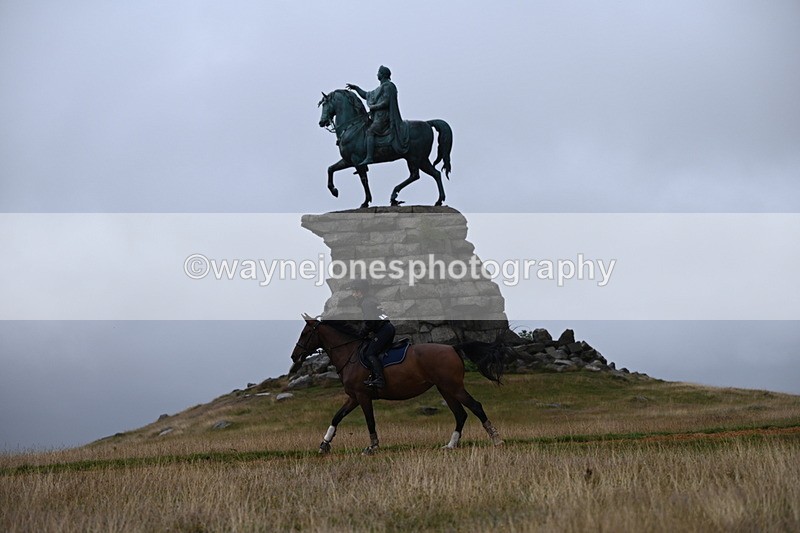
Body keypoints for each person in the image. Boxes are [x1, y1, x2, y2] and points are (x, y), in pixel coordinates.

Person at [346, 65, 409, 166]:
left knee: (370, 131)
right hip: (378, 117)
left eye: (378, 72)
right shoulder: (379, 88)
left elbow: (386, 102)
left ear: (383, 74)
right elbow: (366, 95)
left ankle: (369, 157)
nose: (377, 74)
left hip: (384, 118)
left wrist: (374, 107)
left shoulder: (389, 86)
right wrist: (356, 88)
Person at [348, 279, 394, 389]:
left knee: (369, 353)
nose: (353, 294)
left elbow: (369, 322)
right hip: (387, 329)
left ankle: (380, 380)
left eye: (354, 291)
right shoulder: (371, 300)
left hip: (383, 331)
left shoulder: (366, 303)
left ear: (360, 292)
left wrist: (361, 333)